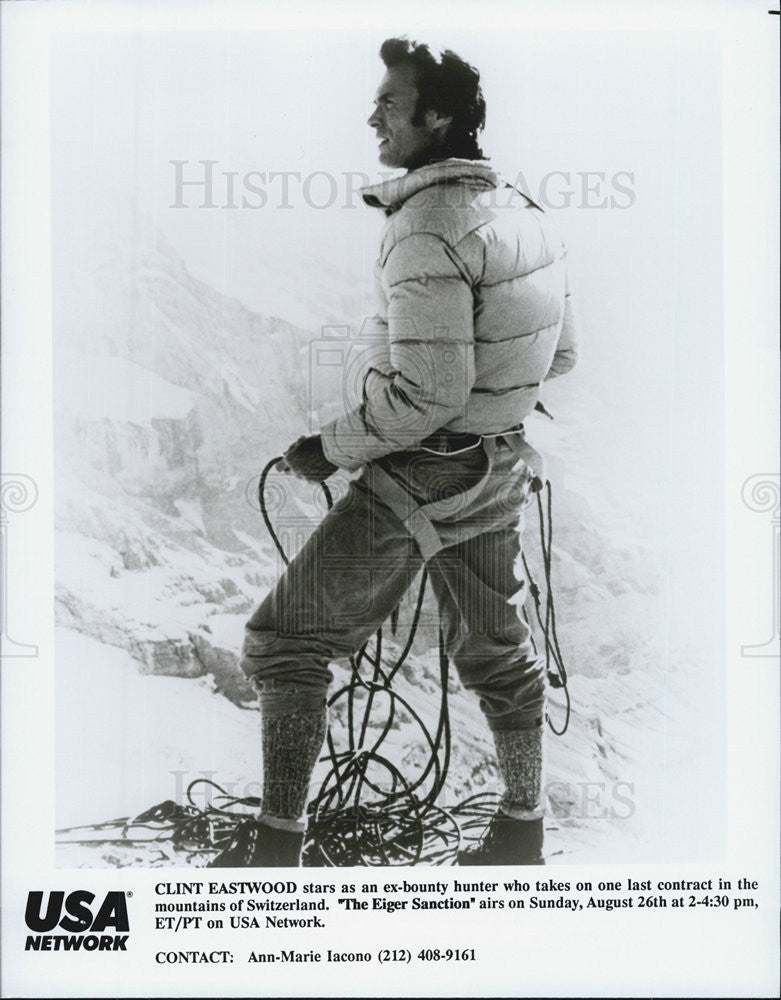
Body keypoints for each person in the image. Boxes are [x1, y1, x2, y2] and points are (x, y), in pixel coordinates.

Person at [209, 37, 578, 868]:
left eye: (388, 103)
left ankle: (275, 852)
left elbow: (427, 395)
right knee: (496, 649)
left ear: (435, 116)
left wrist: (327, 448)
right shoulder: (523, 210)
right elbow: (558, 357)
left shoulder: (425, 229)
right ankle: (522, 830)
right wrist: (492, 416)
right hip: (497, 466)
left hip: (424, 469)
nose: (371, 115)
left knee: (285, 643)